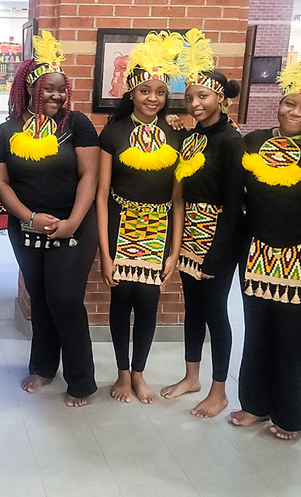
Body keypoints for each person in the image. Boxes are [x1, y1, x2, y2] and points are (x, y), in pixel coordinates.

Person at [0, 31, 101, 407]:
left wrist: (72, 222)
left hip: (74, 225)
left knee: (65, 299)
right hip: (26, 227)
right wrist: (29, 217)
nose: (56, 96)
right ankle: (42, 366)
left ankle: (81, 380)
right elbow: (2, 183)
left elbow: (90, 176)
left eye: (61, 89)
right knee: (39, 297)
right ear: (29, 88)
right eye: (48, 89)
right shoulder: (7, 130)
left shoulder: (77, 125)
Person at [227, 47, 301, 440]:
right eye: (290, 103)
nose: (295, 112)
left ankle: (289, 416)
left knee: (290, 338)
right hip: (256, 251)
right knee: (257, 331)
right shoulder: (253, 141)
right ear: (279, 102)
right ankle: (255, 404)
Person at [96, 31, 186, 405]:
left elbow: (178, 200)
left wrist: (174, 251)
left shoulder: (177, 134)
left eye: (160, 92)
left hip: (159, 232)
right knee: (120, 305)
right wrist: (105, 254)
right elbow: (101, 195)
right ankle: (121, 374)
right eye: (145, 90)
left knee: (149, 306)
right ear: (131, 92)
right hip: (120, 229)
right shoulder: (113, 132)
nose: (153, 98)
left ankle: (139, 374)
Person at [159, 29, 244, 419]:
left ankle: (219, 391)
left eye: (203, 96)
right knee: (192, 309)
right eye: (190, 97)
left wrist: (214, 255)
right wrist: (178, 246)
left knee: (215, 312)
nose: (195, 103)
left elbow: (234, 204)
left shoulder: (231, 141)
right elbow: (180, 194)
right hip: (191, 231)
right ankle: (191, 377)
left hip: (219, 238)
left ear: (220, 99)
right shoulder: (192, 138)